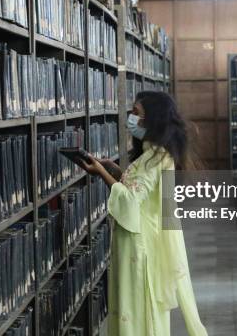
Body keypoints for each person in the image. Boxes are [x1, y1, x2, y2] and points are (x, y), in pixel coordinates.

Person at [82, 91, 207, 336]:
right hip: (134, 238)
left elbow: (129, 200)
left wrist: (101, 174)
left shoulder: (159, 156)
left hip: (139, 244)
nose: (131, 117)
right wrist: (116, 171)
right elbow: (141, 191)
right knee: (128, 305)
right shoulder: (152, 153)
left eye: (136, 112)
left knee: (136, 308)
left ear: (152, 119)